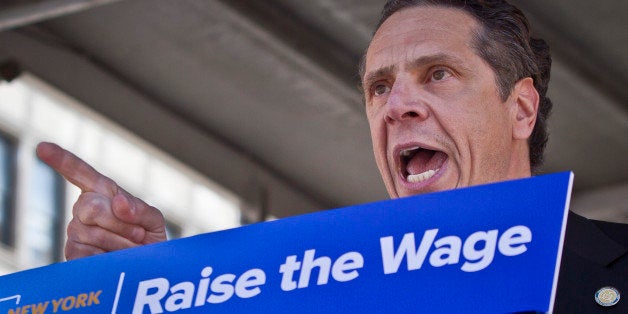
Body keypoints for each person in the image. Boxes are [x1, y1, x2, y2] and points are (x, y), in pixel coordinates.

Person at [36, 0, 626, 312]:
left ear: (521, 109)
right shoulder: (312, 294)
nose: (398, 106)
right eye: (379, 88)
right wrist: (149, 291)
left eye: (437, 74)